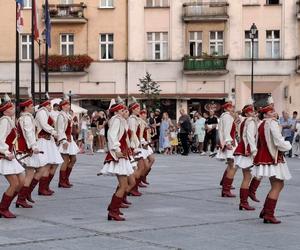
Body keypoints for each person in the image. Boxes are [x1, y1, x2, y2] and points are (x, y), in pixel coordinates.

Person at [252, 100, 292, 224]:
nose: (274, 113)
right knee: (278, 185)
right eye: (271, 111)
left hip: (265, 157)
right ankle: (268, 214)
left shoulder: (261, 124)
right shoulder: (272, 123)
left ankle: (266, 211)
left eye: (273, 110)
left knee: (276, 184)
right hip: (273, 157)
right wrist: (288, 145)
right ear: (265, 114)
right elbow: (278, 141)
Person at [100, 102, 134, 221]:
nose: (125, 112)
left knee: (124, 184)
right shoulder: (116, 120)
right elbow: (111, 135)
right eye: (122, 110)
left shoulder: (121, 121)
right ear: (116, 112)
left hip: (123, 155)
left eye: (125, 110)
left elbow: (124, 139)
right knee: (124, 185)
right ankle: (113, 210)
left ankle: (114, 208)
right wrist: (116, 149)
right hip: (119, 155)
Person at [15, 98, 44, 208]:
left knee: (39, 170)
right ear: (26, 108)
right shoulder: (26, 118)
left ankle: (25, 195)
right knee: (30, 174)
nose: (32, 107)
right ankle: (21, 198)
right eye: (31, 106)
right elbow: (29, 133)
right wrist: (33, 146)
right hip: (26, 148)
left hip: (28, 147)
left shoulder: (27, 117)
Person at [0, 96, 25, 218]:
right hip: (5, 156)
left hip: (11, 155)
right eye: (11, 107)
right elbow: (0, 139)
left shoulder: (9, 119)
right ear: (5, 111)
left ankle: (5, 207)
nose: (13, 108)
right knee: (15, 183)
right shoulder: (5, 120)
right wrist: (5, 152)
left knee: (21, 181)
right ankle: (3, 209)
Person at [35, 96, 63, 196]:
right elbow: (44, 125)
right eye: (49, 105)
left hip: (49, 140)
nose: (50, 106)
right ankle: (42, 188)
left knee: (54, 163)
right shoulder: (42, 112)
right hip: (43, 140)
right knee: (47, 164)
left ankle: (46, 186)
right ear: (45, 105)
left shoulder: (47, 112)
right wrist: (54, 132)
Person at [233, 103, 258, 211]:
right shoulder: (250, 121)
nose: (254, 113)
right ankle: (244, 201)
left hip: (243, 148)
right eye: (252, 111)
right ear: (247, 112)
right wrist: (253, 151)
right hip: (247, 150)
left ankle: (245, 200)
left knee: (248, 177)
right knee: (247, 177)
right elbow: (250, 137)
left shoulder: (243, 121)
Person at [57, 98, 79, 188]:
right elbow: (60, 129)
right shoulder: (61, 116)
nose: (68, 106)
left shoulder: (67, 115)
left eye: (69, 104)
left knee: (73, 159)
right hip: (65, 140)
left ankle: (66, 179)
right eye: (67, 105)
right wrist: (63, 140)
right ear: (62, 106)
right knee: (65, 160)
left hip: (70, 139)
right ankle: (62, 181)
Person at [217, 99, 237, 197]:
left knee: (231, 165)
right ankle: (226, 189)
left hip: (227, 141)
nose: (232, 108)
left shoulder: (224, 116)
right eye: (231, 107)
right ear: (227, 108)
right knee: (232, 165)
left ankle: (225, 185)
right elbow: (226, 131)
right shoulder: (227, 117)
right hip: (229, 142)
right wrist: (228, 142)